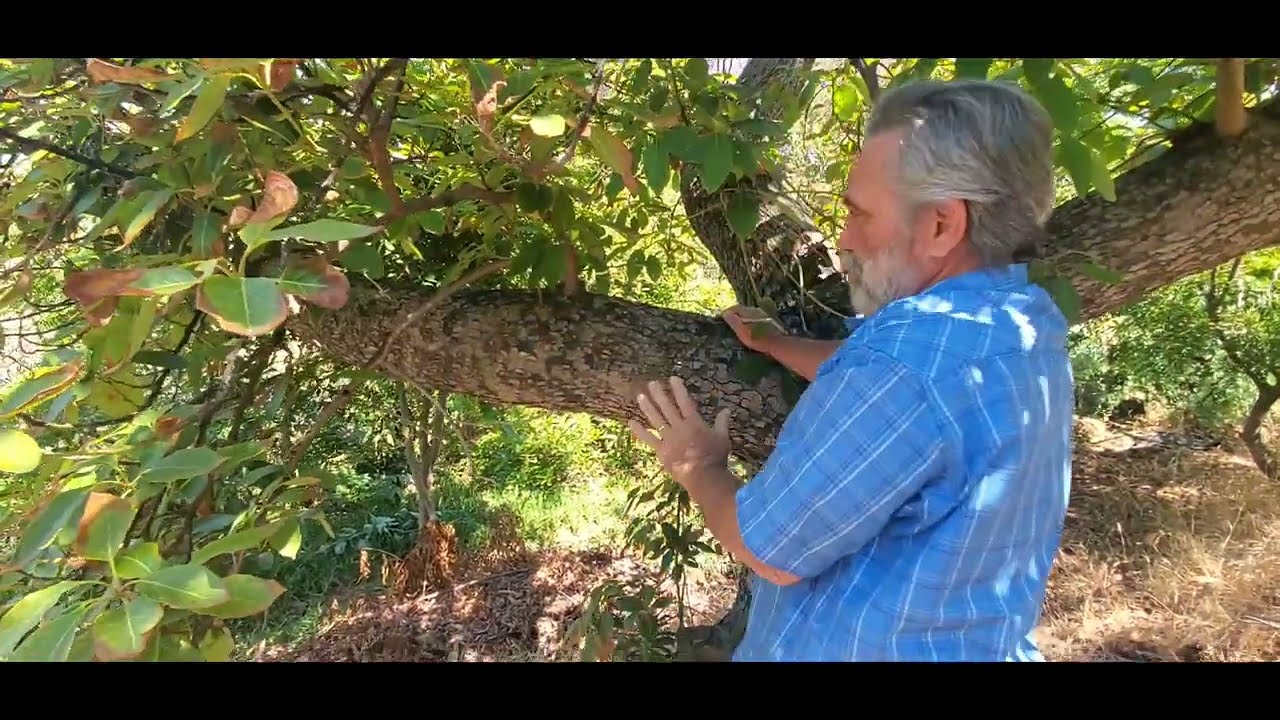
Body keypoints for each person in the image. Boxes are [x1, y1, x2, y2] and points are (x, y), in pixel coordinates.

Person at [628, 78, 1074, 661]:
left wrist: (700, 466)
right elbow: (903, 389)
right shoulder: (1020, 320)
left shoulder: (903, 362)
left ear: (942, 225)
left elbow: (771, 550)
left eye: (860, 214)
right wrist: (776, 344)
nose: (844, 239)